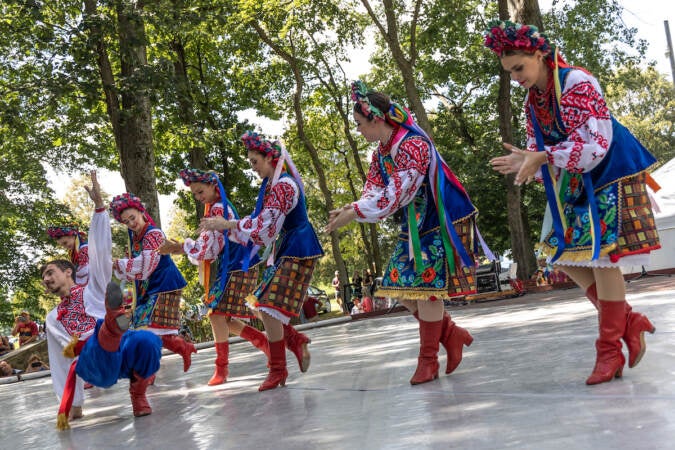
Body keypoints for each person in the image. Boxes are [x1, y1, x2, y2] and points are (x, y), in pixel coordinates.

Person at [485, 21, 659, 385]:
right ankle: (629, 321)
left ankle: (609, 350)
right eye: (509, 72)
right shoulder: (534, 99)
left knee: (601, 257)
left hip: (611, 169)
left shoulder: (577, 82)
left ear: (539, 54)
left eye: (519, 67)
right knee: (559, 253)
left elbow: (596, 143)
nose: (516, 77)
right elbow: (538, 150)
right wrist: (527, 161)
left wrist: (542, 157)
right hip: (578, 179)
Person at [327, 81, 487, 385]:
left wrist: (354, 212)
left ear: (376, 119)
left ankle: (428, 361)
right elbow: (373, 191)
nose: (359, 130)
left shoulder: (412, 144)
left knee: (425, 292)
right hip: (416, 225)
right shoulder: (380, 152)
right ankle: (452, 335)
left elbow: (396, 194)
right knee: (402, 289)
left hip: (441, 219)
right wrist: (351, 207)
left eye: (360, 124)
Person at [200, 131, 324, 391]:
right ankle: (291, 348)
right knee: (260, 306)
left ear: (270, 158)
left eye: (255, 162)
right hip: (287, 248)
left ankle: (278, 368)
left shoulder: (284, 186)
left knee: (264, 307)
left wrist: (228, 224)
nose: (253, 168)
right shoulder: (271, 185)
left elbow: (265, 228)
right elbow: (262, 226)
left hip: (299, 247)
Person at [43, 171, 162, 429]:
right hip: (93, 362)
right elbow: (59, 361)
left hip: (122, 350)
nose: (46, 279)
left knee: (148, 340)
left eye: (50, 272)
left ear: (68, 272)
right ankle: (111, 322)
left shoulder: (91, 290)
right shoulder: (52, 318)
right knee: (99, 336)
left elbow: (99, 250)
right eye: (44, 277)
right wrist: (72, 405)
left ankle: (138, 395)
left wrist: (99, 209)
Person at [158, 168, 270, 386]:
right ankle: (267, 344)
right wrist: (182, 247)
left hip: (239, 266)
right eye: (195, 195)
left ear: (212, 186)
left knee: (216, 314)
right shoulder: (218, 206)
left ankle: (223, 368)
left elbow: (207, 251)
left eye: (201, 192)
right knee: (224, 317)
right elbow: (207, 248)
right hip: (235, 266)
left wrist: (180, 247)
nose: (199, 198)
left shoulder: (219, 209)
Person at [110, 192, 196, 372]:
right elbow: (140, 269)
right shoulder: (136, 238)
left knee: (147, 330)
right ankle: (183, 348)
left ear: (142, 212)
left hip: (166, 285)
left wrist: (119, 264)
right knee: (148, 329)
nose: (131, 223)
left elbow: (146, 267)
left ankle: (147, 373)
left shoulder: (153, 234)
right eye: (126, 221)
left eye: (132, 218)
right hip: (153, 288)